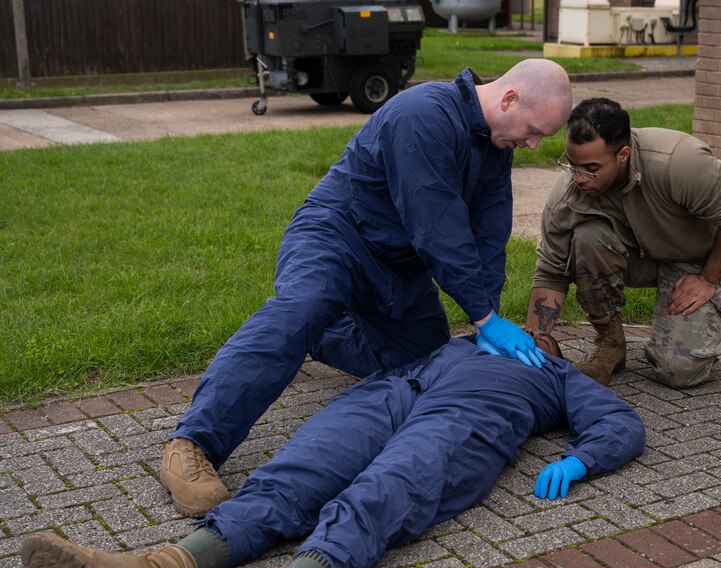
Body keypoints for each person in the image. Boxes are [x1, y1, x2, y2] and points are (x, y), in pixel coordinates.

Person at [21, 335, 644, 568]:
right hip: (395, 392)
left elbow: (620, 423)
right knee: (296, 474)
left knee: (390, 488)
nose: (535, 334)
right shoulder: (461, 341)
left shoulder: (554, 374)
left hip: (469, 415)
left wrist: (579, 460)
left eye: (543, 336)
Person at [160, 60, 574, 518]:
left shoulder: (495, 145)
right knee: (302, 308)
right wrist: (485, 318)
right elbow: (438, 227)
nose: (533, 144)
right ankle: (193, 442)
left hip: (398, 268)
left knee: (427, 363)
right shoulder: (423, 114)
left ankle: (320, 335)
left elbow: (489, 235)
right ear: (509, 98)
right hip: (337, 237)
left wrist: (487, 319)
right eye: (533, 131)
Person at [526, 97, 721, 388]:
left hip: (693, 264)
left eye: (591, 168)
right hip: (637, 258)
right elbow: (551, 272)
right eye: (572, 165)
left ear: (623, 155)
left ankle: (699, 333)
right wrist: (533, 342)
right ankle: (611, 345)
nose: (579, 177)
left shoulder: (679, 162)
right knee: (587, 238)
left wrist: (708, 279)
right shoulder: (567, 195)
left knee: (678, 372)